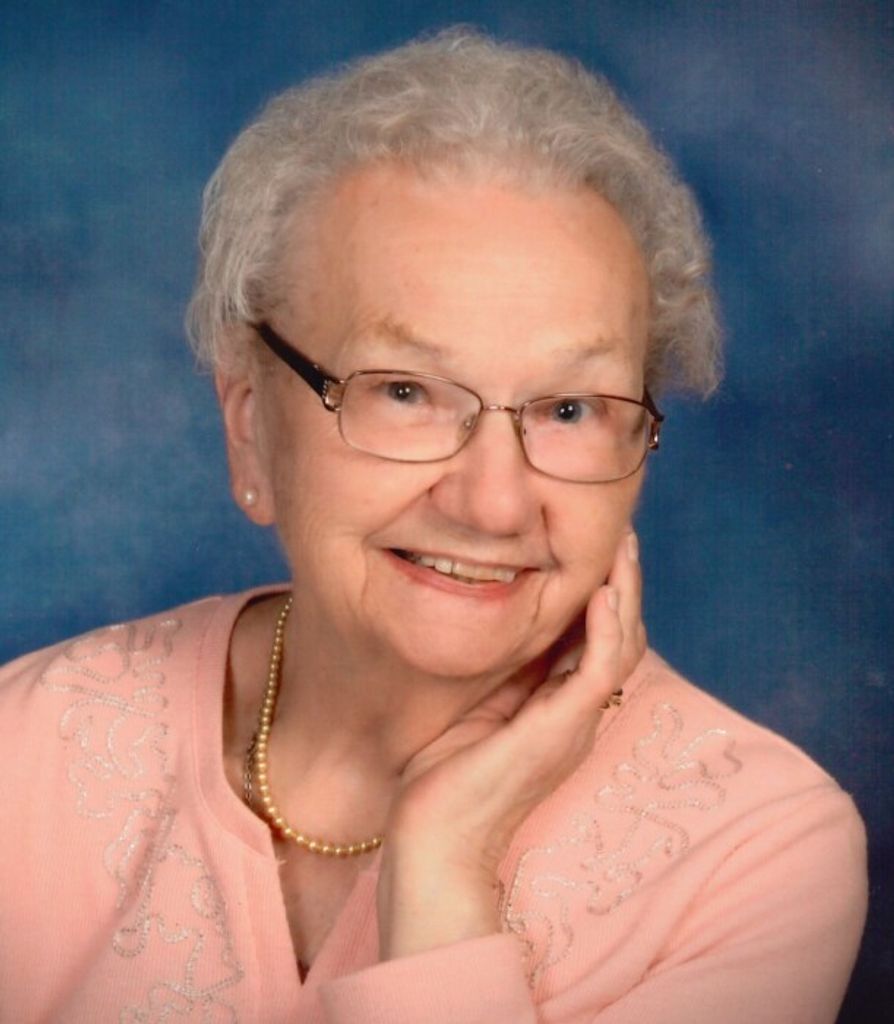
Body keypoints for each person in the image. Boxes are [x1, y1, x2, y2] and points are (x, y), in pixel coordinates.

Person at [0, 28, 866, 1023]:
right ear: (250, 428)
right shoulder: (23, 752)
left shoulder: (755, 856)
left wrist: (445, 868)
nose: (493, 503)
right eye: (405, 391)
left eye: (570, 408)